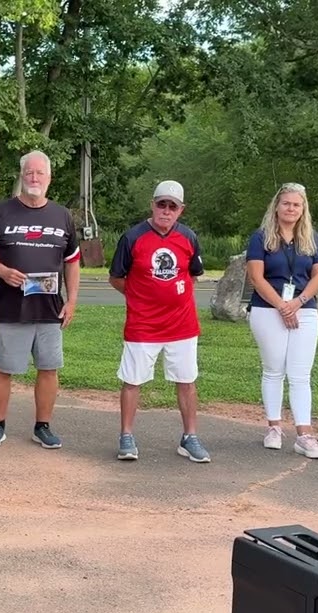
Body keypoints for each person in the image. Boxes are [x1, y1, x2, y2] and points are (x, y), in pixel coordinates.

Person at [0, 150, 80, 450]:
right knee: (3, 369)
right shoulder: (0, 212)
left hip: (49, 309)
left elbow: (72, 261)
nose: (34, 178)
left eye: (40, 173)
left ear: (49, 178)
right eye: (29, 173)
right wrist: (2, 271)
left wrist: (71, 301)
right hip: (10, 308)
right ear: (22, 176)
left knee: (49, 368)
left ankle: (42, 427)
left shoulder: (62, 216)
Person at [108, 180, 210, 462]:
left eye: (172, 206)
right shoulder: (132, 237)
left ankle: (190, 437)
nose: (166, 210)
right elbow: (116, 277)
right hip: (143, 325)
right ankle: (126, 435)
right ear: (152, 205)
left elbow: (193, 273)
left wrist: (177, 294)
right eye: (161, 204)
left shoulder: (188, 237)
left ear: (181, 210)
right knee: (132, 380)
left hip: (182, 325)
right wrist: (140, 296)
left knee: (186, 380)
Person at [245, 183, 318, 459]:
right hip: (268, 309)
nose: (291, 208)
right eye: (286, 203)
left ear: (303, 208)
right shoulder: (261, 238)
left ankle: (304, 434)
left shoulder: (311, 238)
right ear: (276, 206)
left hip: (303, 308)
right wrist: (282, 306)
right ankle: (274, 427)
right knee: (273, 369)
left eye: (297, 204)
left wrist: (298, 303)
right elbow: (257, 277)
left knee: (300, 374)